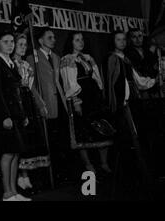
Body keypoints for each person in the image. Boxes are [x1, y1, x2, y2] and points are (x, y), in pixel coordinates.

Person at [106, 30, 156, 198]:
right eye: (118, 40)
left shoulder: (126, 59)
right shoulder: (112, 59)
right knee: (126, 141)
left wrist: (155, 80)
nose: (122, 42)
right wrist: (118, 103)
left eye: (123, 39)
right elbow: (112, 86)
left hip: (132, 105)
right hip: (122, 107)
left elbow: (138, 81)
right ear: (113, 42)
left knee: (136, 139)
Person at [60, 32, 113, 174]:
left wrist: (100, 93)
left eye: (82, 39)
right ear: (71, 43)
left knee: (101, 128)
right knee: (83, 131)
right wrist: (76, 101)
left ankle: (104, 163)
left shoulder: (88, 58)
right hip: (81, 97)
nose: (80, 42)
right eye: (77, 40)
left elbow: (97, 78)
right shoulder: (67, 59)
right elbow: (69, 83)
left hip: (94, 96)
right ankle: (89, 165)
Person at [0, 32, 31, 201]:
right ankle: (6, 193)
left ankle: (14, 192)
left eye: (12, 41)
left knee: (15, 153)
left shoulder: (11, 63)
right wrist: (5, 116)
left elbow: (17, 92)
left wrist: (23, 114)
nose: (10, 44)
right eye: (5, 42)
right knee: (7, 153)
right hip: (5, 116)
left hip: (16, 115)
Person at [26, 28, 69, 184]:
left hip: (58, 103)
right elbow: (31, 85)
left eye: (54, 37)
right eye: (49, 37)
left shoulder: (57, 57)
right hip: (45, 105)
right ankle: (46, 178)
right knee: (47, 141)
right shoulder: (33, 58)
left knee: (60, 141)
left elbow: (58, 82)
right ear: (40, 41)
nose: (53, 40)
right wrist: (39, 103)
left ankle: (61, 174)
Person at [11, 33, 50, 192]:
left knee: (33, 139)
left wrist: (40, 103)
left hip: (28, 101)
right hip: (18, 102)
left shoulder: (26, 65)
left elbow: (31, 87)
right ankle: (22, 176)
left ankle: (30, 178)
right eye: (19, 44)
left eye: (24, 45)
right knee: (22, 140)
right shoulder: (10, 64)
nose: (23, 47)